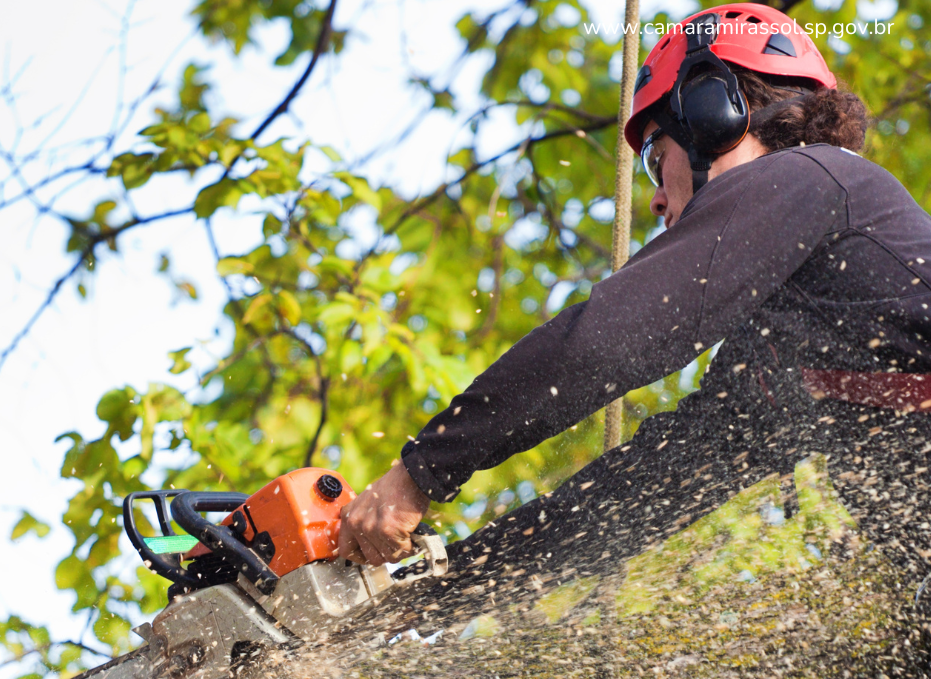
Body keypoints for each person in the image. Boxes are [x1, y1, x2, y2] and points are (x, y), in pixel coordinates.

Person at [336, 2, 931, 579]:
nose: (655, 199)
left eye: (655, 157)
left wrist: (420, 472)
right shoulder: (782, 354)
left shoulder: (810, 178)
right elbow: (640, 495)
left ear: (712, 114)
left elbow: (601, 344)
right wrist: (428, 590)